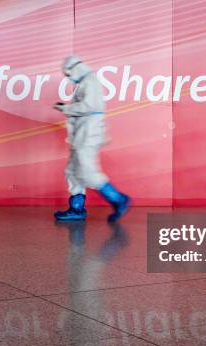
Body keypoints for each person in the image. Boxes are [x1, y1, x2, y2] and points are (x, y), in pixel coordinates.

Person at [53, 55, 130, 222]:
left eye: (68, 74)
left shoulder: (91, 81)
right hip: (80, 136)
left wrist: (66, 108)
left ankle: (118, 199)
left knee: (87, 172)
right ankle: (76, 209)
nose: (69, 78)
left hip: (88, 136)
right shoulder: (85, 83)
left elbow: (90, 106)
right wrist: (66, 108)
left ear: (75, 68)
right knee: (72, 171)